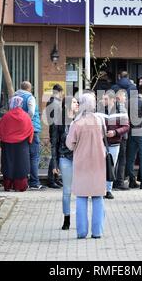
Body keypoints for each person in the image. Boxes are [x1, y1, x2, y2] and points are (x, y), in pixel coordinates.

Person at [66, 93, 106, 239]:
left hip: (81, 163)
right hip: (98, 162)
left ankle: (81, 232)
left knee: (81, 197)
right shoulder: (99, 120)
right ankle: (97, 231)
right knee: (98, 197)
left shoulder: (76, 123)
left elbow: (70, 145)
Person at [50, 96, 79, 230]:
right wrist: (55, 164)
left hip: (80, 159)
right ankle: (66, 218)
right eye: (74, 102)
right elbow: (54, 144)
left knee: (80, 190)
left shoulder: (80, 120)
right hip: (65, 158)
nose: (77, 104)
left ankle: (80, 217)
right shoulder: (59, 122)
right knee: (67, 190)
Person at [96, 90, 130, 199]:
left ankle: (108, 190)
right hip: (101, 142)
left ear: (113, 100)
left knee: (111, 166)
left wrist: (115, 132)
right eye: (103, 99)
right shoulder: (99, 110)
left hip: (115, 142)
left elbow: (126, 126)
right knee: (100, 166)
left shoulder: (121, 110)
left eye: (106, 99)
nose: (103, 101)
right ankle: (101, 189)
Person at [0, 96, 34, 192]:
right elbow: (31, 129)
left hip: (8, 144)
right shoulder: (26, 116)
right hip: (22, 145)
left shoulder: (6, 116)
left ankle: (8, 185)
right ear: (21, 104)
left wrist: (2, 141)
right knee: (21, 165)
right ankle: (20, 186)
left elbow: (1, 129)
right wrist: (29, 141)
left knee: (8, 164)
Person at [14, 81, 44, 190]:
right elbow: (31, 112)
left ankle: (23, 181)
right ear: (29, 88)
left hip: (18, 130)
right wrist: (25, 120)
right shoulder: (30, 97)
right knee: (34, 156)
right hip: (32, 129)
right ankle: (34, 182)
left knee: (22, 156)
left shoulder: (14, 97)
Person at [45, 84, 64, 189]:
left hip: (53, 130)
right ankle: (51, 180)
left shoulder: (51, 101)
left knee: (56, 155)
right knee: (54, 156)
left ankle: (55, 178)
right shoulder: (55, 102)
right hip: (55, 131)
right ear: (60, 91)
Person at [112, 89, 130, 191]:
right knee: (122, 159)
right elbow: (125, 123)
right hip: (122, 136)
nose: (126, 99)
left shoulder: (111, 107)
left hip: (114, 136)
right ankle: (119, 181)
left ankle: (113, 180)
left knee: (114, 159)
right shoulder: (121, 107)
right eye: (124, 97)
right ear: (119, 98)